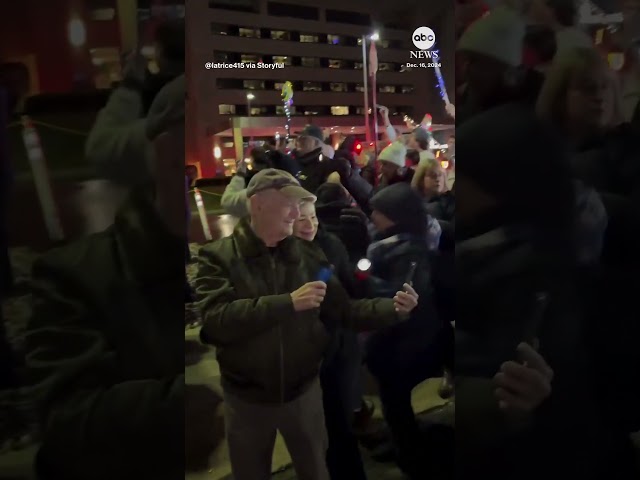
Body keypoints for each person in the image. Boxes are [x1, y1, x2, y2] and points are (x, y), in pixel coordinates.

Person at [21, 80, 224, 479]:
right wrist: (184, 403)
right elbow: (64, 417)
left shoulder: (202, 265)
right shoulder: (74, 273)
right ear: (154, 155)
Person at [195, 168, 419, 480]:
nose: (297, 213)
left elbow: (344, 310)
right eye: (289, 203)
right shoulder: (217, 256)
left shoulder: (309, 255)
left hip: (304, 393)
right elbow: (216, 321)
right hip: (247, 398)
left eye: (301, 205)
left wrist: (392, 308)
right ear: (257, 204)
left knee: (316, 469)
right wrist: (288, 303)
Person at [363, 182, 447, 479]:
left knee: (395, 402)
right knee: (394, 404)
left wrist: (361, 283)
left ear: (395, 216)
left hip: (406, 343)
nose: (372, 215)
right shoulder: (392, 240)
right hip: (400, 339)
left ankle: (411, 457)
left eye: (378, 212)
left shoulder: (410, 251)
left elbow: (404, 296)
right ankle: (402, 442)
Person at [293, 200, 368, 480]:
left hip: (335, 347)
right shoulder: (277, 252)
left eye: (312, 217)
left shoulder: (330, 244)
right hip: (303, 352)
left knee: (337, 424)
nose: (309, 224)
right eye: (301, 219)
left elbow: (351, 290)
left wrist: (361, 276)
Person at [293, 125, 338, 193]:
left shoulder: (326, 166)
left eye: (304, 138)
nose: (299, 141)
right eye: (298, 138)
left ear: (316, 143)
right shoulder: (291, 162)